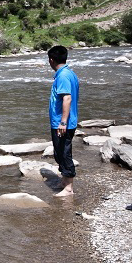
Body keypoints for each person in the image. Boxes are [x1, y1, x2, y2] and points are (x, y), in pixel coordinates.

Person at [47, 46, 79, 197]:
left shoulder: (63, 76)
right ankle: (65, 181)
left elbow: (67, 98)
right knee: (60, 151)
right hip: (63, 121)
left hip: (63, 122)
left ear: (51, 60)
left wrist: (63, 122)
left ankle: (69, 188)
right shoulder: (68, 73)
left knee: (64, 152)